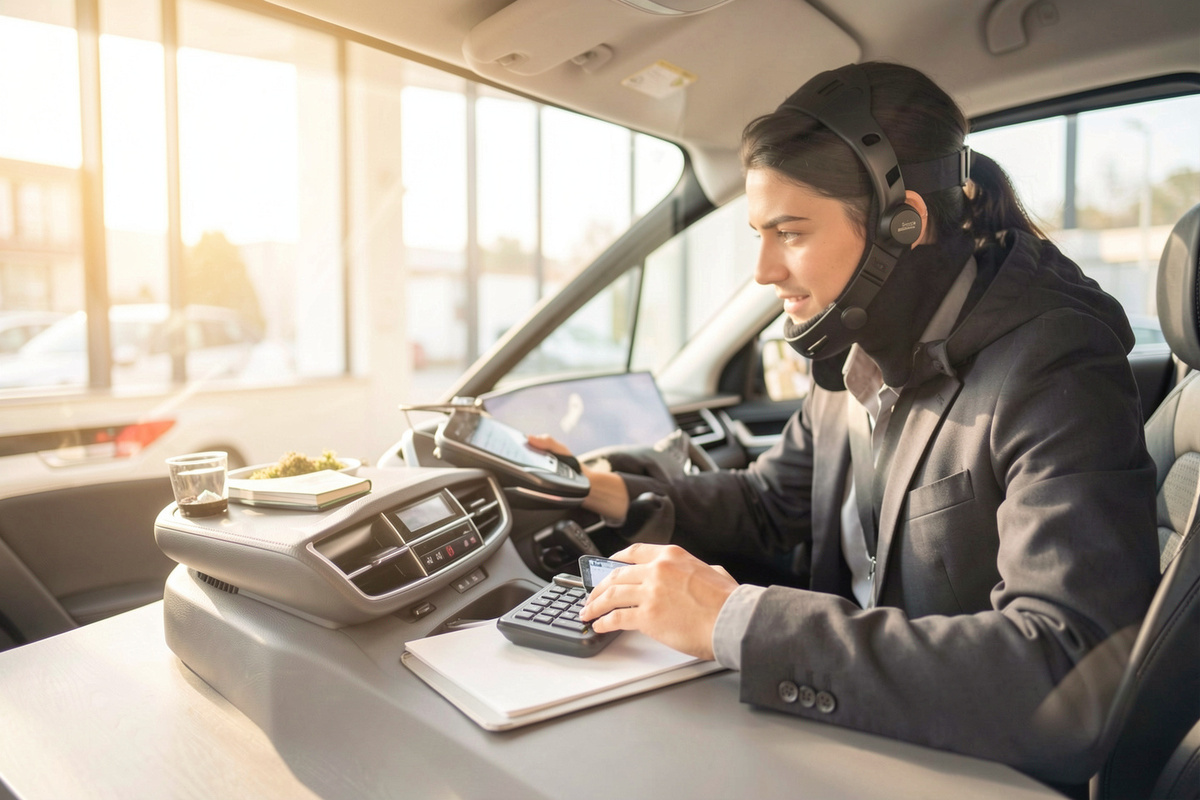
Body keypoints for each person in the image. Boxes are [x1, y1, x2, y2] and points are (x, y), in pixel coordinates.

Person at [530, 61, 1158, 789]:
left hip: (969, 769)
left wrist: (735, 621)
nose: (763, 270)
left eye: (789, 233)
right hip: (856, 730)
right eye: (758, 233)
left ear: (906, 225)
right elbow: (772, 507)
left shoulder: (1054, 365)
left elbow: (1066, 667)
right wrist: (594, 489)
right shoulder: (857, 350)